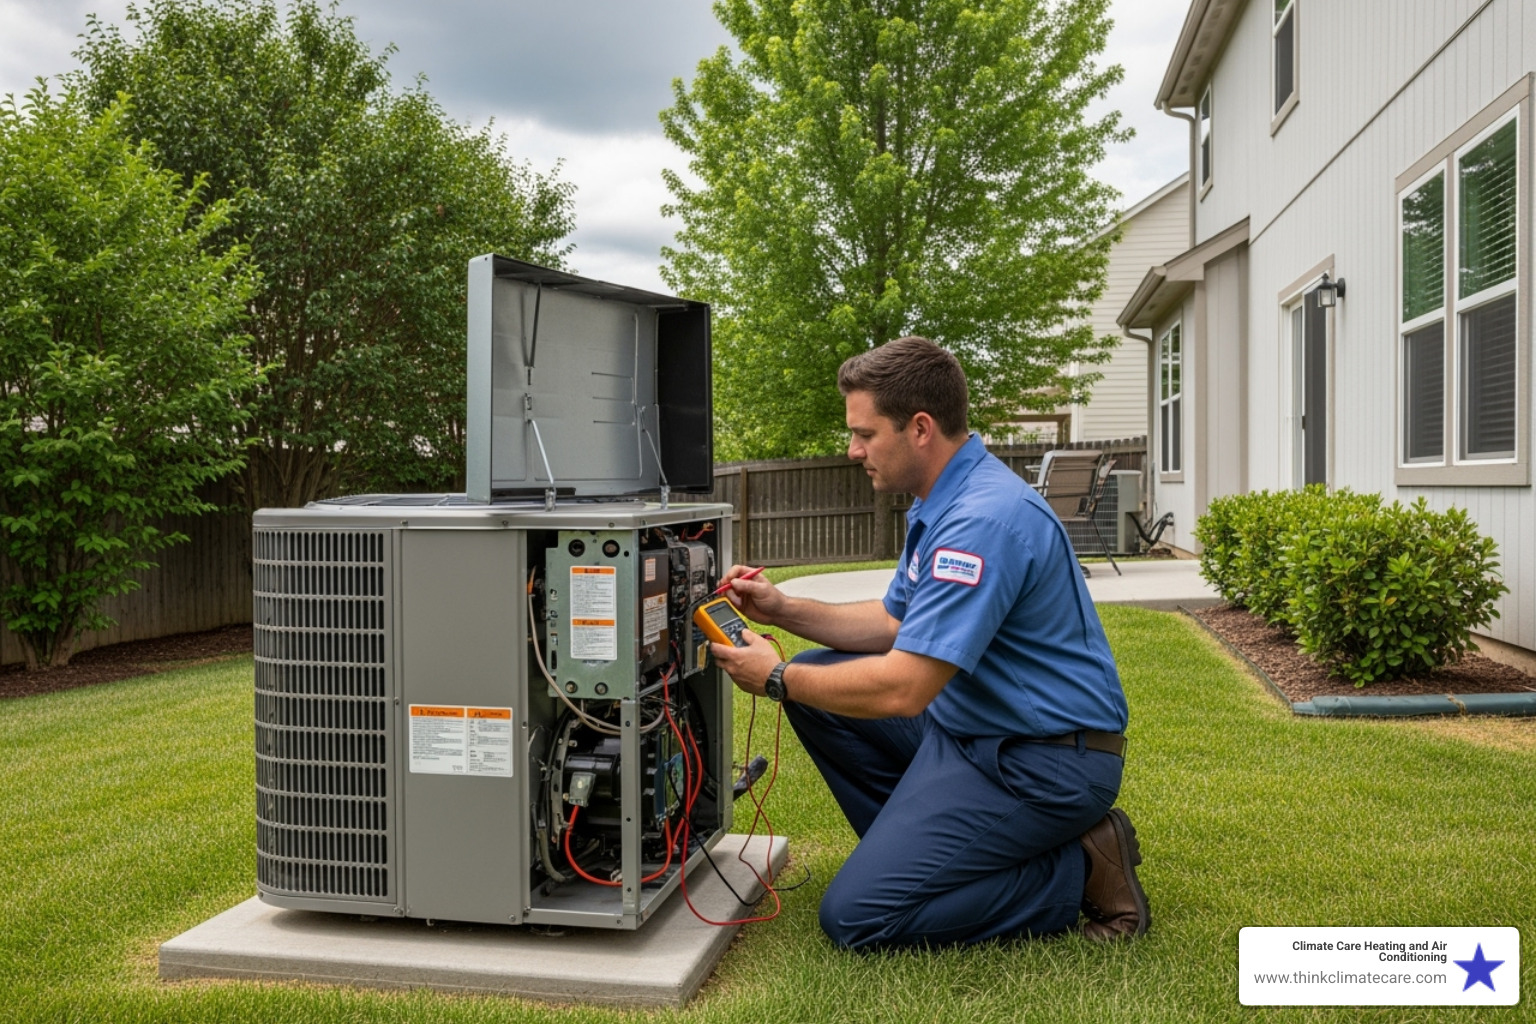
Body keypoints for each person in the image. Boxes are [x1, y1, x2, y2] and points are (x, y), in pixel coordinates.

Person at [708, 336, 1149, 951]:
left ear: (919, 428)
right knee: (817, 684)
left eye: (865, 433)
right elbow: (896, 623)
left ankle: (1076, 868)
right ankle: (929, 859)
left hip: (1044, 762)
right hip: (972, 733)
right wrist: (783, 610)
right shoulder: (940, 501)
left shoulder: (980, 522)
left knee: (857, 918)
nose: (852, 448)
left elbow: (905, 686)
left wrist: (774, 677)